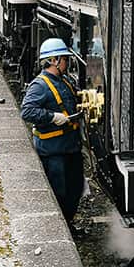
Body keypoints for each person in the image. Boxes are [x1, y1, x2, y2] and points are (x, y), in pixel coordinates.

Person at [20, 38, 85, 226]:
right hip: (54, 151)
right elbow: (27, 110)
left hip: (70, 148)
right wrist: (52, 117)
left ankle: (69, 221)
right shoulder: (40, 85)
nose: (67, 63)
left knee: (75, 188)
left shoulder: (64, 81)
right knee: (60, 192)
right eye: (64, 59)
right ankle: (61, 225)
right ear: (54, 60)